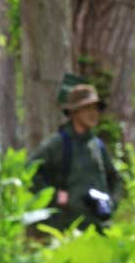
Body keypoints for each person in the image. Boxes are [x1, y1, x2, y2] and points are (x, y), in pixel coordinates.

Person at [28, 84, 122, 232]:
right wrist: (53, 197)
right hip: (66, 228)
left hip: (99, 227)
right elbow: (30, 171)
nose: (93, 113)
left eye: (95, 108)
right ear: (74, 113)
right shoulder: (57, 143)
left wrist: (111, 202)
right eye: (87, 108)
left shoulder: (97, 145)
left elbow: (115, 178)